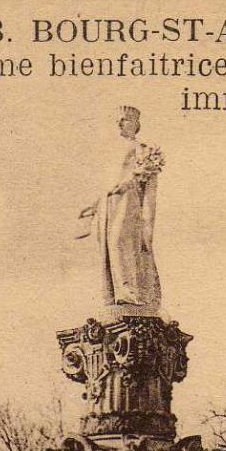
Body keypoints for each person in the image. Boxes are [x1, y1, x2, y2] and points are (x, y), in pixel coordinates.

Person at [77, 105, 164, 311]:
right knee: (107, 249)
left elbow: (143, 178)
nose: (120, 123)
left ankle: (130, 292)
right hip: (108, 205)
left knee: (120, 242)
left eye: (125, 119)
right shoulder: (112, 151)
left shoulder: (142, 148)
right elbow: (108, 183)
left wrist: (126, 183)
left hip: (128, 201)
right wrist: (95, 204)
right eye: (118, 119)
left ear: (135, 124)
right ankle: (114, 294)